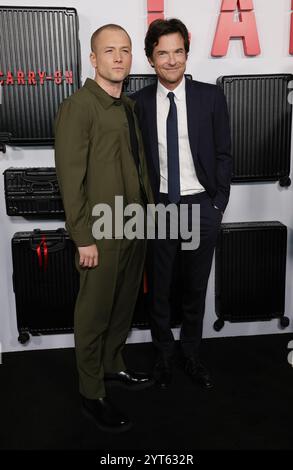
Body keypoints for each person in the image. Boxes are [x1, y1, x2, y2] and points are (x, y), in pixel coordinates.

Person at [54, 24, 153, 432]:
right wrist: (83, 237)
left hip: (134, 226)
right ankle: (91, 392)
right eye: (108, 51)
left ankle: (113, 366)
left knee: (123, 306)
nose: (118, 57)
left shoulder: (127, 106)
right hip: (100, 232)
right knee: (94, 313)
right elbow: (70, 178)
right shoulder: (80, 106)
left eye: (125, 50)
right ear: (93, 59)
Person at [132, 19, 232, 390]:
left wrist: (218, 204)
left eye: (178, 52)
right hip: (159, 208)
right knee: (158, 288)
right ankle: (163, 356)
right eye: (163, 53)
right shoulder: (137, 103)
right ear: (150, 58)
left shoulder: (211, 97)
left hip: (202, 206)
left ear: (187, 54)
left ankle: (190, 354)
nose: (171, 60)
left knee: (195, 287)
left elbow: (224, 154)